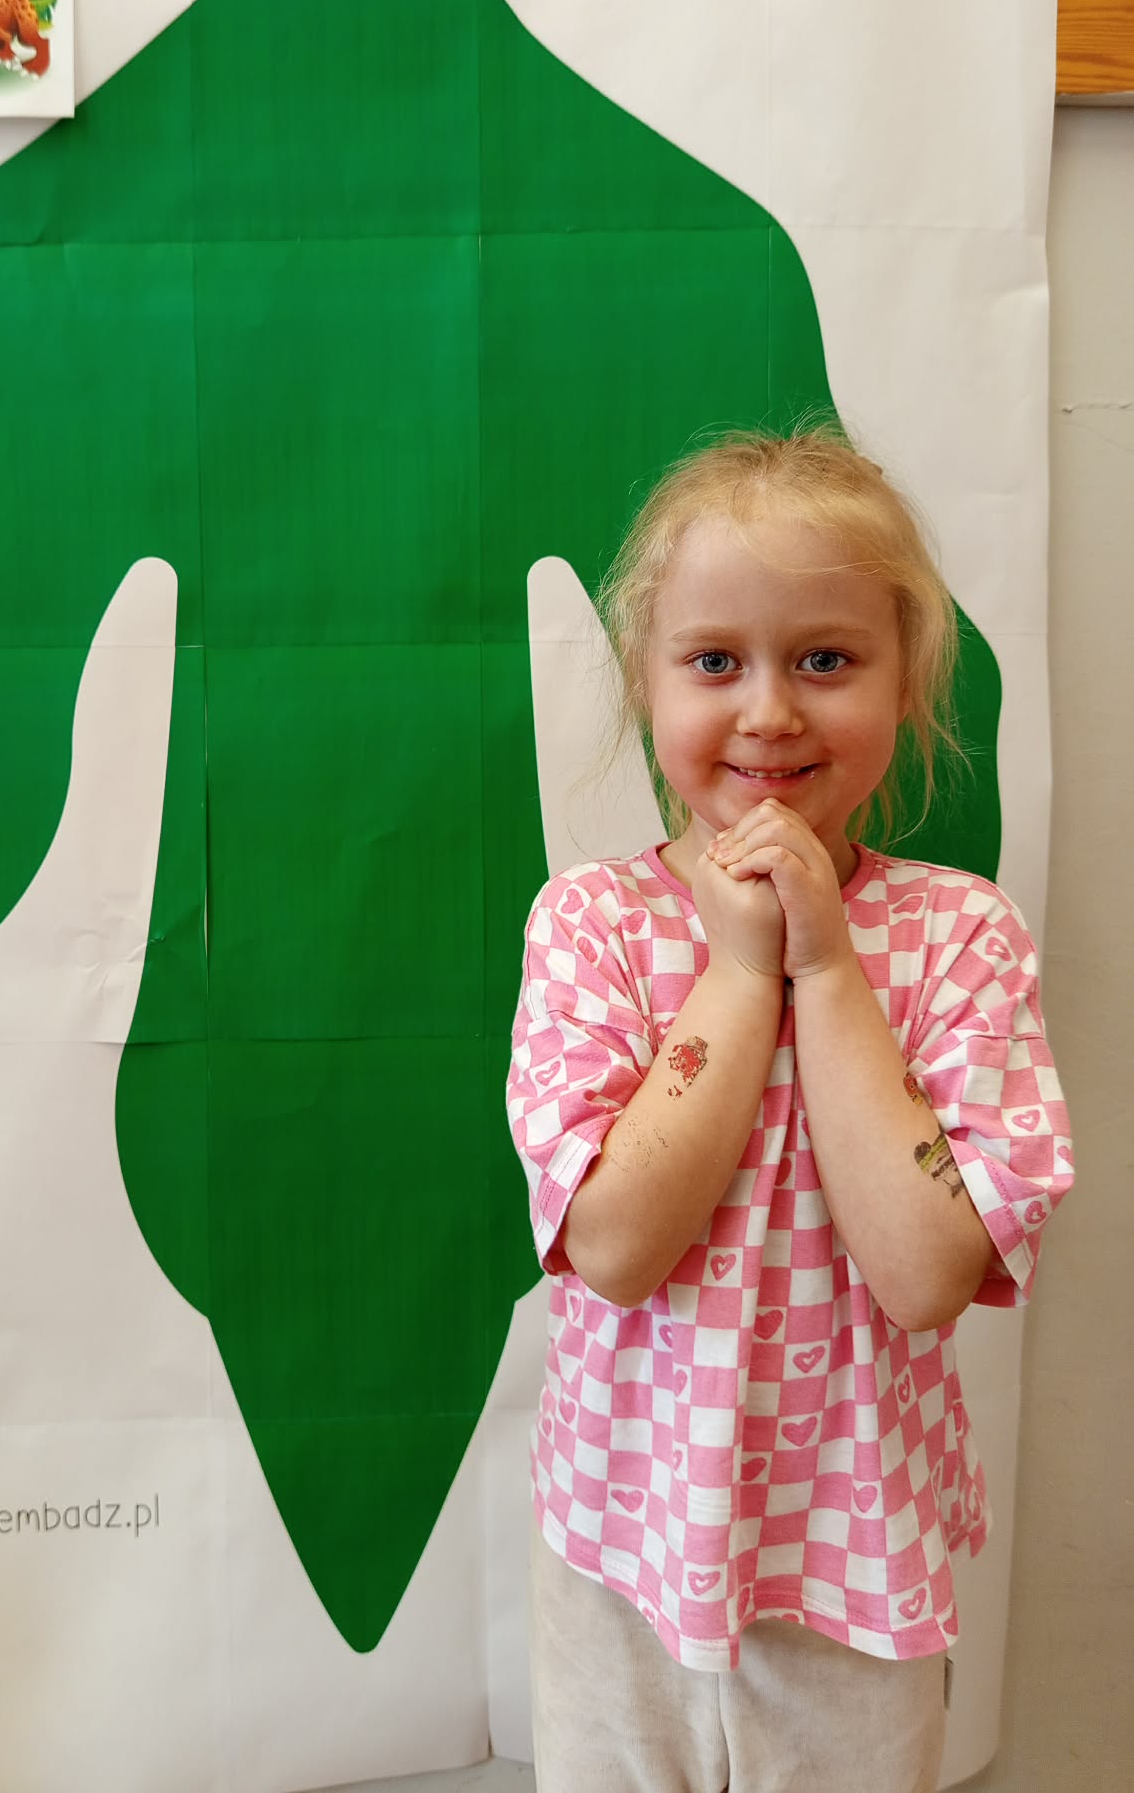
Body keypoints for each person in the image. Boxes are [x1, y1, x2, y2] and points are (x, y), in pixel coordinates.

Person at [506, 422, 1072, 1792]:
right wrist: (738, 970)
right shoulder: (589, 925)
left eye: (824, 659)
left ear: (904, 684)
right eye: (715, 661)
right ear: (646, 685)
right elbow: (615, 1247)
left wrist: (826, 967)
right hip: (620, 1555)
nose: (768, 711)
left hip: (853, 1564)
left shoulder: (961, 937)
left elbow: (926, 1275)